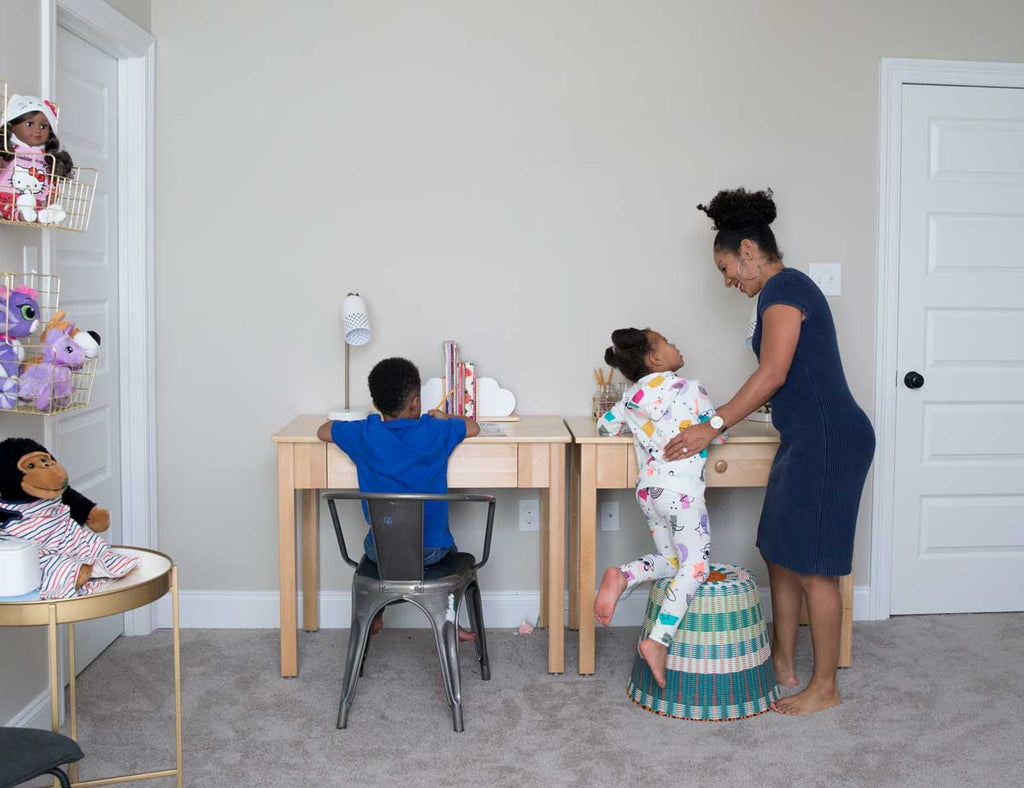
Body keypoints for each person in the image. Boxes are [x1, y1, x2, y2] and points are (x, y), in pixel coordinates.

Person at [665, 187, 875, 715]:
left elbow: (774, 372)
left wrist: (711, 426)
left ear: (749, 251)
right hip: (804, 436)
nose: (728, 279)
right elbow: (790, 380)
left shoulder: (786, 289)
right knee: (778, 550)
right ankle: (782, 664)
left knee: (814, 566)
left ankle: (824, 688)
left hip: (830, 438)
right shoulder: (776, 293)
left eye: (726, 267)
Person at [593, 328, 726, 688]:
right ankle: (657, 640)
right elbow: (719, 432)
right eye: (667, 341)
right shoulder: (690, 389)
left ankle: (624, 575)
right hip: (681, 492)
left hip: (649, 492)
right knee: (696, 567)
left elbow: (605, 427)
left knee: (673, 563)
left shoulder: (631, 397)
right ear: (655, 358)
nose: (676, 344)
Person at [318, 356, 479, 638]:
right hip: (433, 552)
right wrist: (446, 416)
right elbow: (473, 427)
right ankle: (448, 619)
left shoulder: (365, 432)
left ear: (377, 403)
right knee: (449, 549)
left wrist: (357, 423)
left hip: (381, 552)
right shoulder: (436, 429)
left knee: (380, 541)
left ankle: (376, 614)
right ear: (415, 401)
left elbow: (323, 431)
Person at [1, 94, 73, 224]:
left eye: (43, 126)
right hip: (5, 198)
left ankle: (46, 215)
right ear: (12, 126)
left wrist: (51, 200)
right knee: (7, 209)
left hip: (35, 202)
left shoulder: (47, 156)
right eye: (29, 124)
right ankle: (23, 215)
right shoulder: (8, 149)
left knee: (35, 210)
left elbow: (52, 182)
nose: (37, 130)